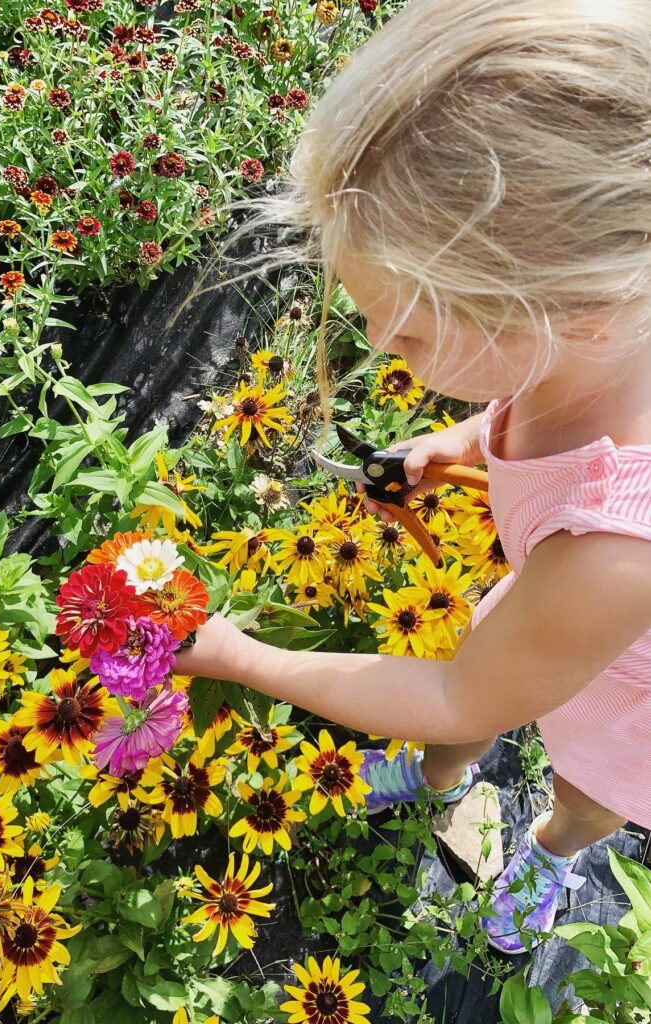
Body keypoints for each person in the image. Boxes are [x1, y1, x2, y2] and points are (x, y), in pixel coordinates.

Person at [174, 0, 651, 955]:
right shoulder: (606, 337)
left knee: (586, 787)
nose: (377, 347)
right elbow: (537, 408)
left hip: (630, 699)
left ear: (580, 309)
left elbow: (462, 695)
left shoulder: (613, 549)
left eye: (409, 331)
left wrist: (241, 658)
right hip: (542, 618)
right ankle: (443, 783)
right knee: (478, 699)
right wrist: (465, 442)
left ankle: (552, 857)